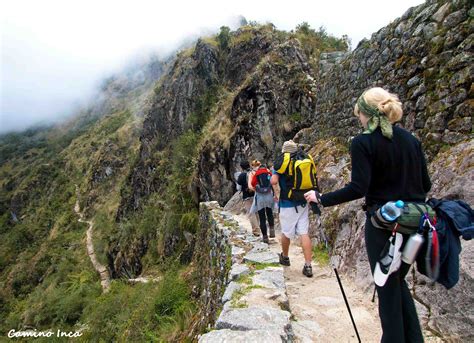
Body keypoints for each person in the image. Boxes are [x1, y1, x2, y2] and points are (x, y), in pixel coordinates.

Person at [305, 87, 431, 342]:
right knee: (396, 282)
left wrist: (321, 198)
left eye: (359, 114)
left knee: (385, 285)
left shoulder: (363, 142)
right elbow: (425, 184)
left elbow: (358, 188)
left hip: (384, 226)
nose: (358, 119)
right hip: (414, 223)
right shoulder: (411, 140)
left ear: (367, 113)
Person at [271, 140, 313, 278]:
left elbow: (274, 181)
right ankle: (308, 265)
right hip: (303, 201)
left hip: (287, 203)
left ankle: (285, 257)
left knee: (286, 233)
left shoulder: (282, 162)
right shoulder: (304, 159)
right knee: (304, 233)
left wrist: (276, 193)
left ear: (284, 151)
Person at [248, 160, 275, 244]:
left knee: (262, 217)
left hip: (260, 197)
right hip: (269, 196)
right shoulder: (268, 172)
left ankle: (265, 236)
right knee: (269, 213)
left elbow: (252, 184)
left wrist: (257, 189)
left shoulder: (255, 174)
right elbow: (273, 182)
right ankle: (272, 230)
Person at [236, 161, 260, 236]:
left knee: (251, 213)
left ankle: (256, 231)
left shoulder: (241, 175)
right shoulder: (254, 172)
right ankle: (261, 228)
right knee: (257, 212)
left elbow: (238, 188)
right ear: (249, 165)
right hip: (257, 194)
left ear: (241, 167)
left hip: (247, 197)